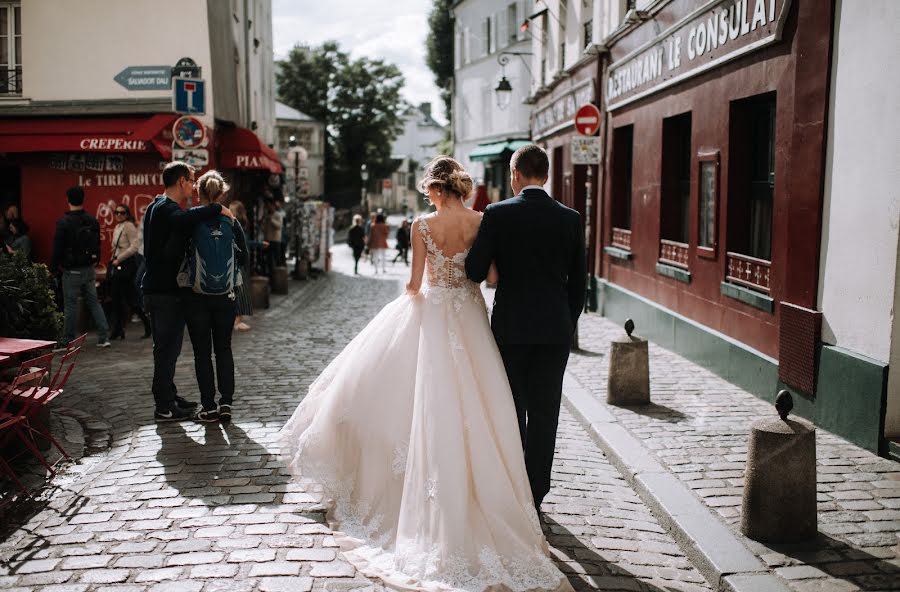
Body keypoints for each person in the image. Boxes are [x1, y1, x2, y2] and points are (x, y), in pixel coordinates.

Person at [279, 156, 568, 592]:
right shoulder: (481, 219)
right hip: (470, 316)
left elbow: (415, 283)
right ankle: (509, 494)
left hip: (434, 314)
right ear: (461, 186)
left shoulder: (422, 226)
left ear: (435, 188)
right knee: (486, 403)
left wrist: (418, 293)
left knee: (421, 398)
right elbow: (488, 274)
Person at [465, 144, 586, 514]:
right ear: (546, 177)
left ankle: (513, 487)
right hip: (553, 330)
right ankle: (536, 493)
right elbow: (579, 284)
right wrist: (565, 323)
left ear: (514, 174)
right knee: (546, 413)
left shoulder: (497, 214)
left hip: (511, 328)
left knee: (512, 408)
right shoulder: (570, 218)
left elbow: (474, 270)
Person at [142, 162, 235, 422]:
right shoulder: (166, 208)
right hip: (163, 291)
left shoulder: (156, 205)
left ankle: (168, 397)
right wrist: (217, 208)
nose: (194, 185)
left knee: (168, 349)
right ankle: (164, 407)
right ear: (181, 181)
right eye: (192, 179)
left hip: (158, 289)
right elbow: (182, 219)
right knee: (166, 350)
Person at [184, 171, 248, 423]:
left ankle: (208, 407)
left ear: (198, 193)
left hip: (196, 295)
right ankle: (226, 404)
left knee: (202, 353)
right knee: (224, 348)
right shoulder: (231, 221)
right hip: (226, 295)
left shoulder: (190, 221)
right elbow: (243, 257)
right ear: (222, 193)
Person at [51, 187, 111, 349]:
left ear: (68, 200)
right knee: (94, 303)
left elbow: (58, 249)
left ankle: (68, 340)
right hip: (89, 269)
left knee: (70, 305)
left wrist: (53, 268)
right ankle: (104, 337)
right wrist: (94, 261)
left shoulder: (63, 223)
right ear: (82, 199)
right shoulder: (92, 220)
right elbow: (98, 245)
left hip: (71, 271)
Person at [107, 204, 142, 340]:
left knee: (128, 297)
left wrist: (119, 259)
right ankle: (118, 329)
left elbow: (135, 246)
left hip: (126, 265)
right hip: (116, 264)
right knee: (116, 297)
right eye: (116, 213)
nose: (119, 215)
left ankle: (145, 323)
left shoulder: (129, 226)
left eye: (122, 213)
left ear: (127, 214)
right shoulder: (117, 227)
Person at [229, 200, 255, 331]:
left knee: (238, 290)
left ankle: (236, 320)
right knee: (240, 291)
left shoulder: (236, 224)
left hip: (237, 261)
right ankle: (237, 321)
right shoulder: (235, 225)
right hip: (238, 262)